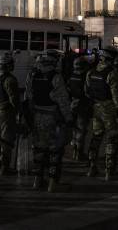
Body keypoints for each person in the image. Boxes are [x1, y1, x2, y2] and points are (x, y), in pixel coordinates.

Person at [24, 53, 73, 192]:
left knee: (39, 149)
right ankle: (52, 183)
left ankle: (37, 180)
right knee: (55, 150)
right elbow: (63, 101)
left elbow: (28, 98)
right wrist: (68, 119)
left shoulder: (32, 76)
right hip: (53, 118)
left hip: (37, 116)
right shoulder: (56, 77)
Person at [84, 48, 118, 180]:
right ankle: (109, 171)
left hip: (96, 107)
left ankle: (91, 167)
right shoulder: (112, 74)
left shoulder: (91, 72)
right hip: (109, 109)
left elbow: (87, 91)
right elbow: (117, 96)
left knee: (96, 137)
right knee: (111, 139)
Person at [0, 52, 19, 175]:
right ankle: (4, 168)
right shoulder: (10, 79)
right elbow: (14, 100)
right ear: (7, 65)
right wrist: (19, 112)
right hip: (6, 113)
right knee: (6, 140)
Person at [67, 56, 92, 161]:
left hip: (72, 104)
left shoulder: (71, 76)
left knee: (75, 129)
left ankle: (74, 150)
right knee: (81, 130)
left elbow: (68, 89)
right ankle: (78, 153)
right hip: (82, 105)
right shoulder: (85, 76)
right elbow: (88, 91)